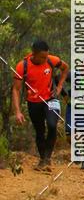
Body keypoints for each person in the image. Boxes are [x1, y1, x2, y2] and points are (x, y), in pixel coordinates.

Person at [12, 39, 69, 172]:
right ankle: (43, 159)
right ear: (34, 54)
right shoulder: (22, 66)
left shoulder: (51, 60)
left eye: (46, 56)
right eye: (42, 57)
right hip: (34, 102)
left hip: (51, 99)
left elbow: (65, 68)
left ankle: (48, 158)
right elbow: (16, 89)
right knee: (39, 131)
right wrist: (17, 112)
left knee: (52, 124)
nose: (45, 59)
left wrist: (60, 86)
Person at [61, 70, 84, 170]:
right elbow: (57, 78)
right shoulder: (73, 74)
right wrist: (64, 94)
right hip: (71, 108)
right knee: (69, 135)